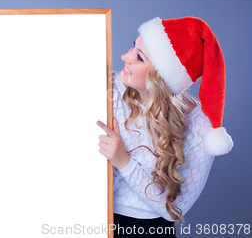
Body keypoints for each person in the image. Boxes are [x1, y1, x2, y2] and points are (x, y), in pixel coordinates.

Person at [97, 17, 233, 238]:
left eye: (139, 57)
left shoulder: (200, 127)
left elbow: (174, 210)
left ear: (160, 77)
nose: (125, 57)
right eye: (134, 46)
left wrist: (124, 161)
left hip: (147, 231)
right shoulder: (112, 89)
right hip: (96, 221)